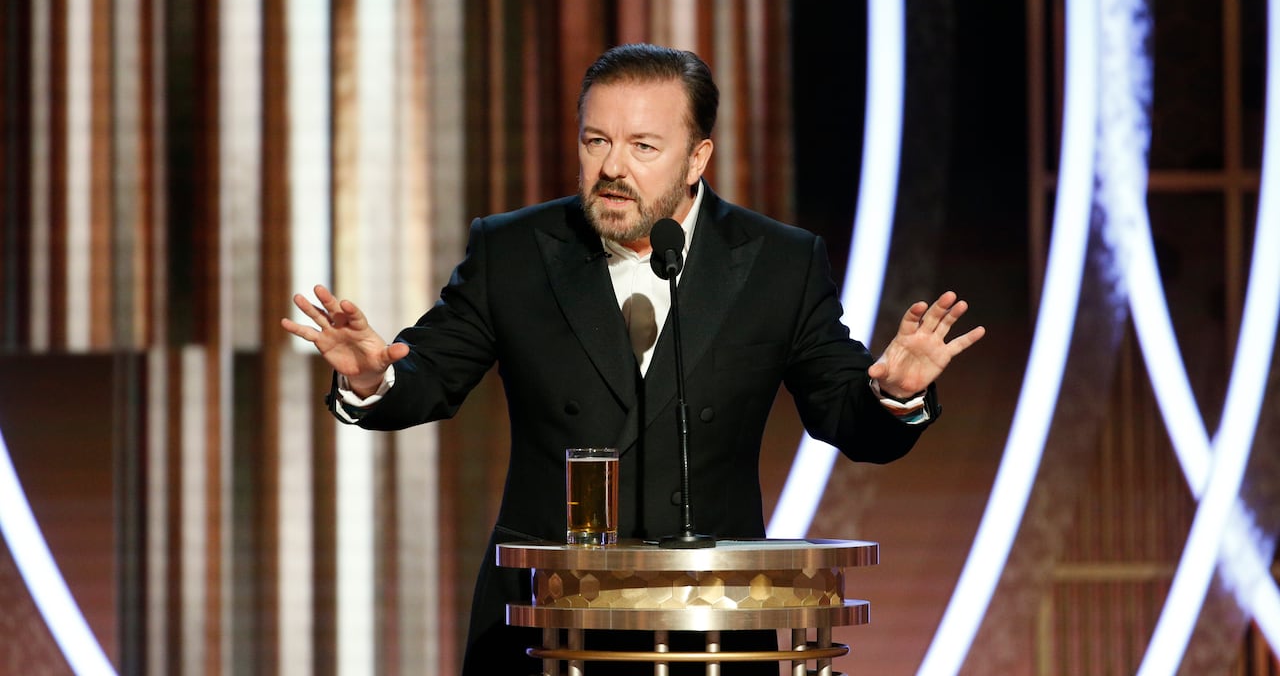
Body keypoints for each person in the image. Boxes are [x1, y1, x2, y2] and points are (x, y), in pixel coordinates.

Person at [282, 43, 984, 675]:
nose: (612, 167)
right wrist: (374, 377)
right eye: (597, 141)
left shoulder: (778, 262)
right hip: (544, 619)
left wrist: (895, 393)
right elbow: (431, 374)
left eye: (643, 146)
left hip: (710, 625)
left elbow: (843, 413)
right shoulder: (516, 250)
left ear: (697, 158)